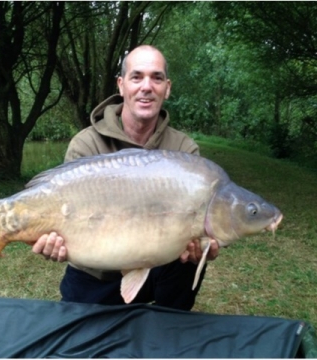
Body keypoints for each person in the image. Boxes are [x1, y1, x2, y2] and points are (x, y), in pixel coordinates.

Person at [32, 45, 219, 310]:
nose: (146, 86)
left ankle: (169, 325)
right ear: (121, 85)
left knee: (184, 267)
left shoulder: (184, 151)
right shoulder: (86, 144)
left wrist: (201, 247)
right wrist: (54, 241)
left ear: (167, 87)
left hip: (160, 268)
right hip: (95, 273)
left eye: (156, 78)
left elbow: (199, 226)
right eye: (136, 77)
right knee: (81, 344)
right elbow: (63, 213)